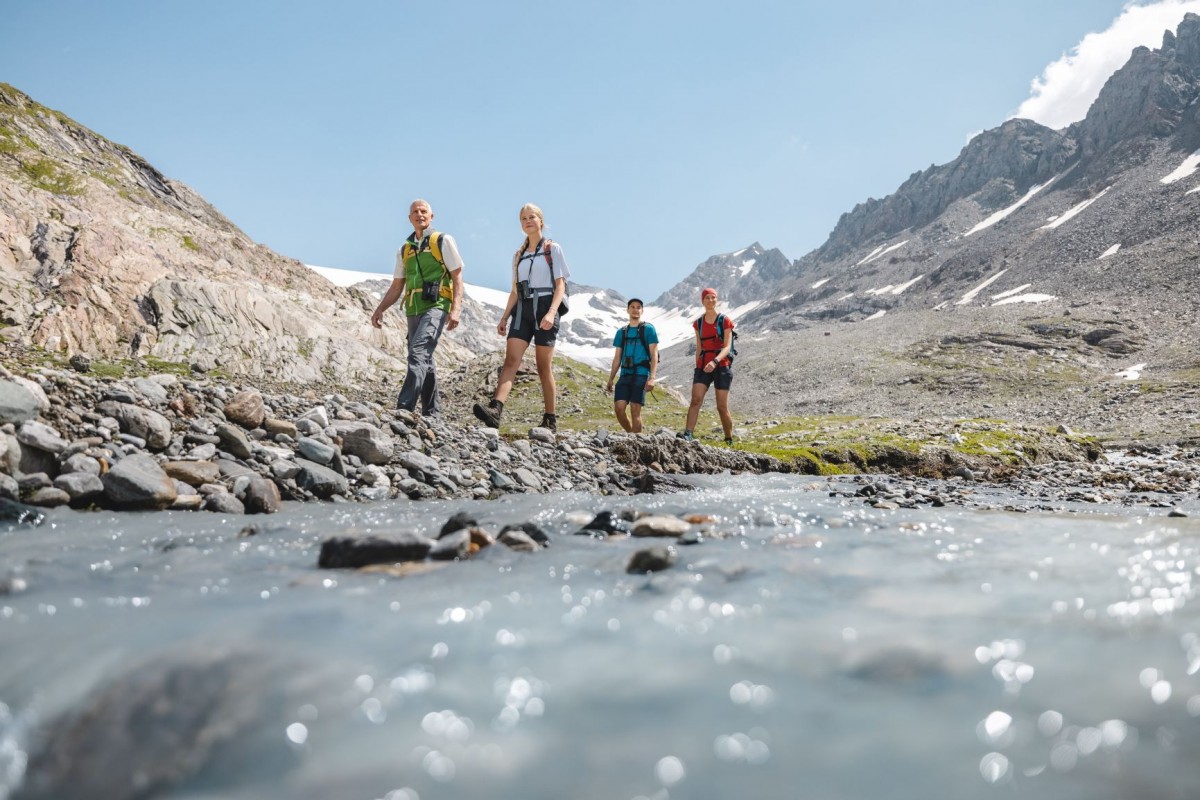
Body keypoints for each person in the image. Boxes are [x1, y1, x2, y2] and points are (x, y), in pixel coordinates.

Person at [473, 203, 570, 431]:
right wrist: (504, 317)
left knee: (543, 367)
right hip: (522, 309)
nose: (528, 221)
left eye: (532, 217)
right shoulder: (518, 256)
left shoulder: (552, 249)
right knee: (511, 361)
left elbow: (560, 286)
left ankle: (550, 418)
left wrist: (552, 312)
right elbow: (515, 290)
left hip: (545, 306)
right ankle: (496, 409)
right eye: (524, 218)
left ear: (541, 221)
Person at [370, 199, 464, 417]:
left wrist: (456, 308)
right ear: (410, 218)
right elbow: (397, 285)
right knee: (425, 359)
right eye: (415, 212)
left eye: (424, 211)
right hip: (412, 309)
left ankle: (404, 408)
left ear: (431, 216)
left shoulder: (442, 241)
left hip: (437, 305)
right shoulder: (405, 249)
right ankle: (432, 415)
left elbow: (457, 276)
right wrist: (380, 309)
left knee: (418, 352)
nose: (419, 214)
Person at [681, 287, 735, 444]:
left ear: (717, 299)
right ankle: (688, 434)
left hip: (721, 364)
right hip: (703, 366)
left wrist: (715, 361)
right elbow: (699, 347)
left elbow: (727, 347)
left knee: (721, 407)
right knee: (695, 400)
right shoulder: (698, 323)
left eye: (713, 298)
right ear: (702, 301)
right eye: (707, 298)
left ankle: (728, 438)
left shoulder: (724, 320)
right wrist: (698, 366)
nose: (710, 301)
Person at [605, 298, 658, 433]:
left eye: (638, 307)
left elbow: (654, 354)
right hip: (625, 374)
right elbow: (617, 357)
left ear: (642, 311)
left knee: (635, 409)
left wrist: (652, 378)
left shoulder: (648, 329)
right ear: (628, 310)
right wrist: (611, 378)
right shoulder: (621, 332)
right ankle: (631, 435)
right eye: (632, 307)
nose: (635, 309)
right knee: (619, 408)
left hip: (641, 374)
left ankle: (636, 442)